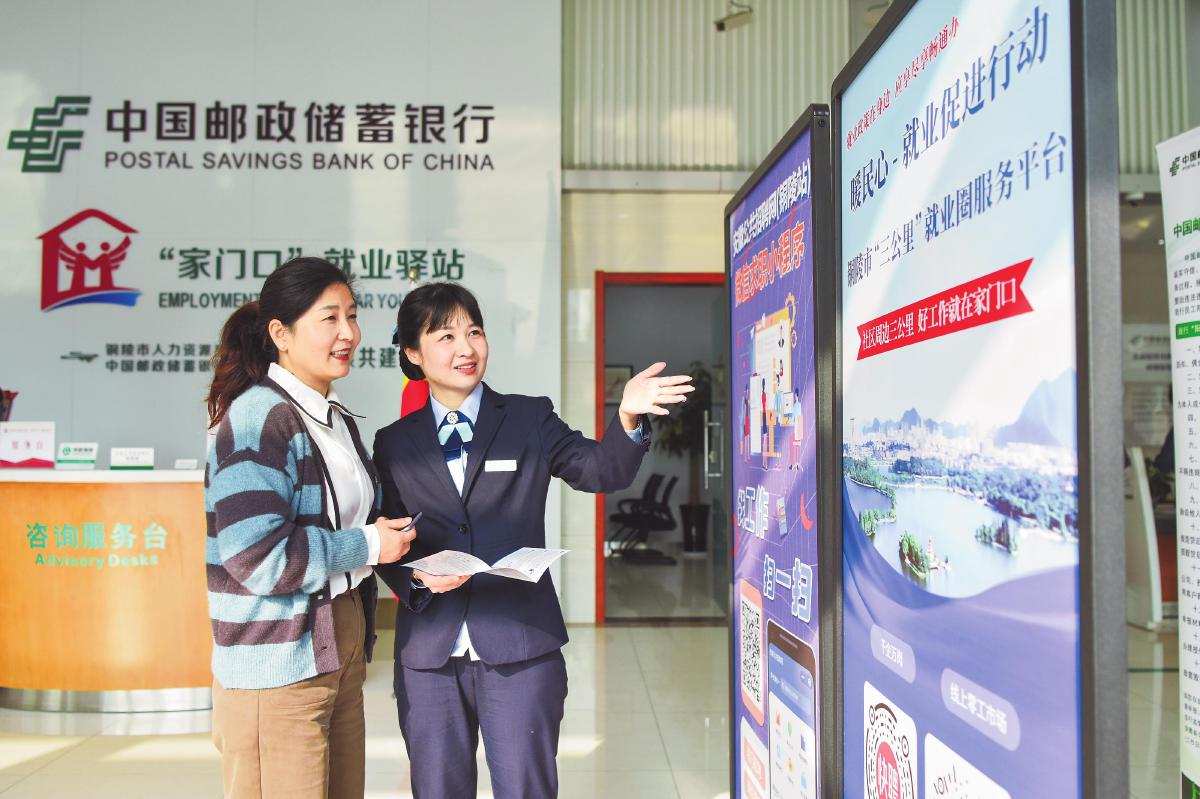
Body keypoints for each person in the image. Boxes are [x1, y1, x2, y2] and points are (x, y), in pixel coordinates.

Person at [372, 282, 692, 798]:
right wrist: (416, 581)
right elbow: (384, 539)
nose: (466, 348)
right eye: (446, 336)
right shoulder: (394, 443)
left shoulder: (528, 418)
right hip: (429, 656)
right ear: (413, 353)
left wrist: (628, 416)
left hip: (520, 645)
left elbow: (602, 470)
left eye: (475, 332)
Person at [204, 257, 419, 798]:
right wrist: (369, 544)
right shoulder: (259, 418)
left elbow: (352, 522)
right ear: (280, 334)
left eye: (352, 315)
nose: (348, 333)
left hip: (336, 640)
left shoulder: (331, 415)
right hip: (277, 660)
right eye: (329, 318)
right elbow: (256, 556)